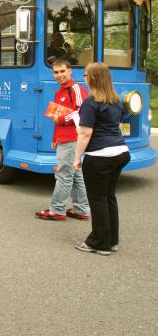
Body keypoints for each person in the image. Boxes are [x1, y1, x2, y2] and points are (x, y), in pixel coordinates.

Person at [73, 62, 130, 256]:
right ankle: (112, 241)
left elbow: (85, 133)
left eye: (85, 75)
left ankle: (98, 243)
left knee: (97, 200)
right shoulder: (116, 101)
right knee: (109, 197)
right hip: (121, 152)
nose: (84, 78)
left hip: (100, 156)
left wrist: (77, 157)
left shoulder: (91, 102)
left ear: (94, 78)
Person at [36, 59, 89, 221]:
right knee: (76, 175)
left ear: (70, 71)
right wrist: (55, 138)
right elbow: (58, 116)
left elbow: (82, 113)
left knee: (64, 175)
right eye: (56, 72)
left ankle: (57, 209)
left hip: (73, 139)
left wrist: (62, 120)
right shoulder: (60, 91)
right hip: (65, 138)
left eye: (62, 71)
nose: (59, 75)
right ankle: (81, 209)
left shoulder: (75, 89)